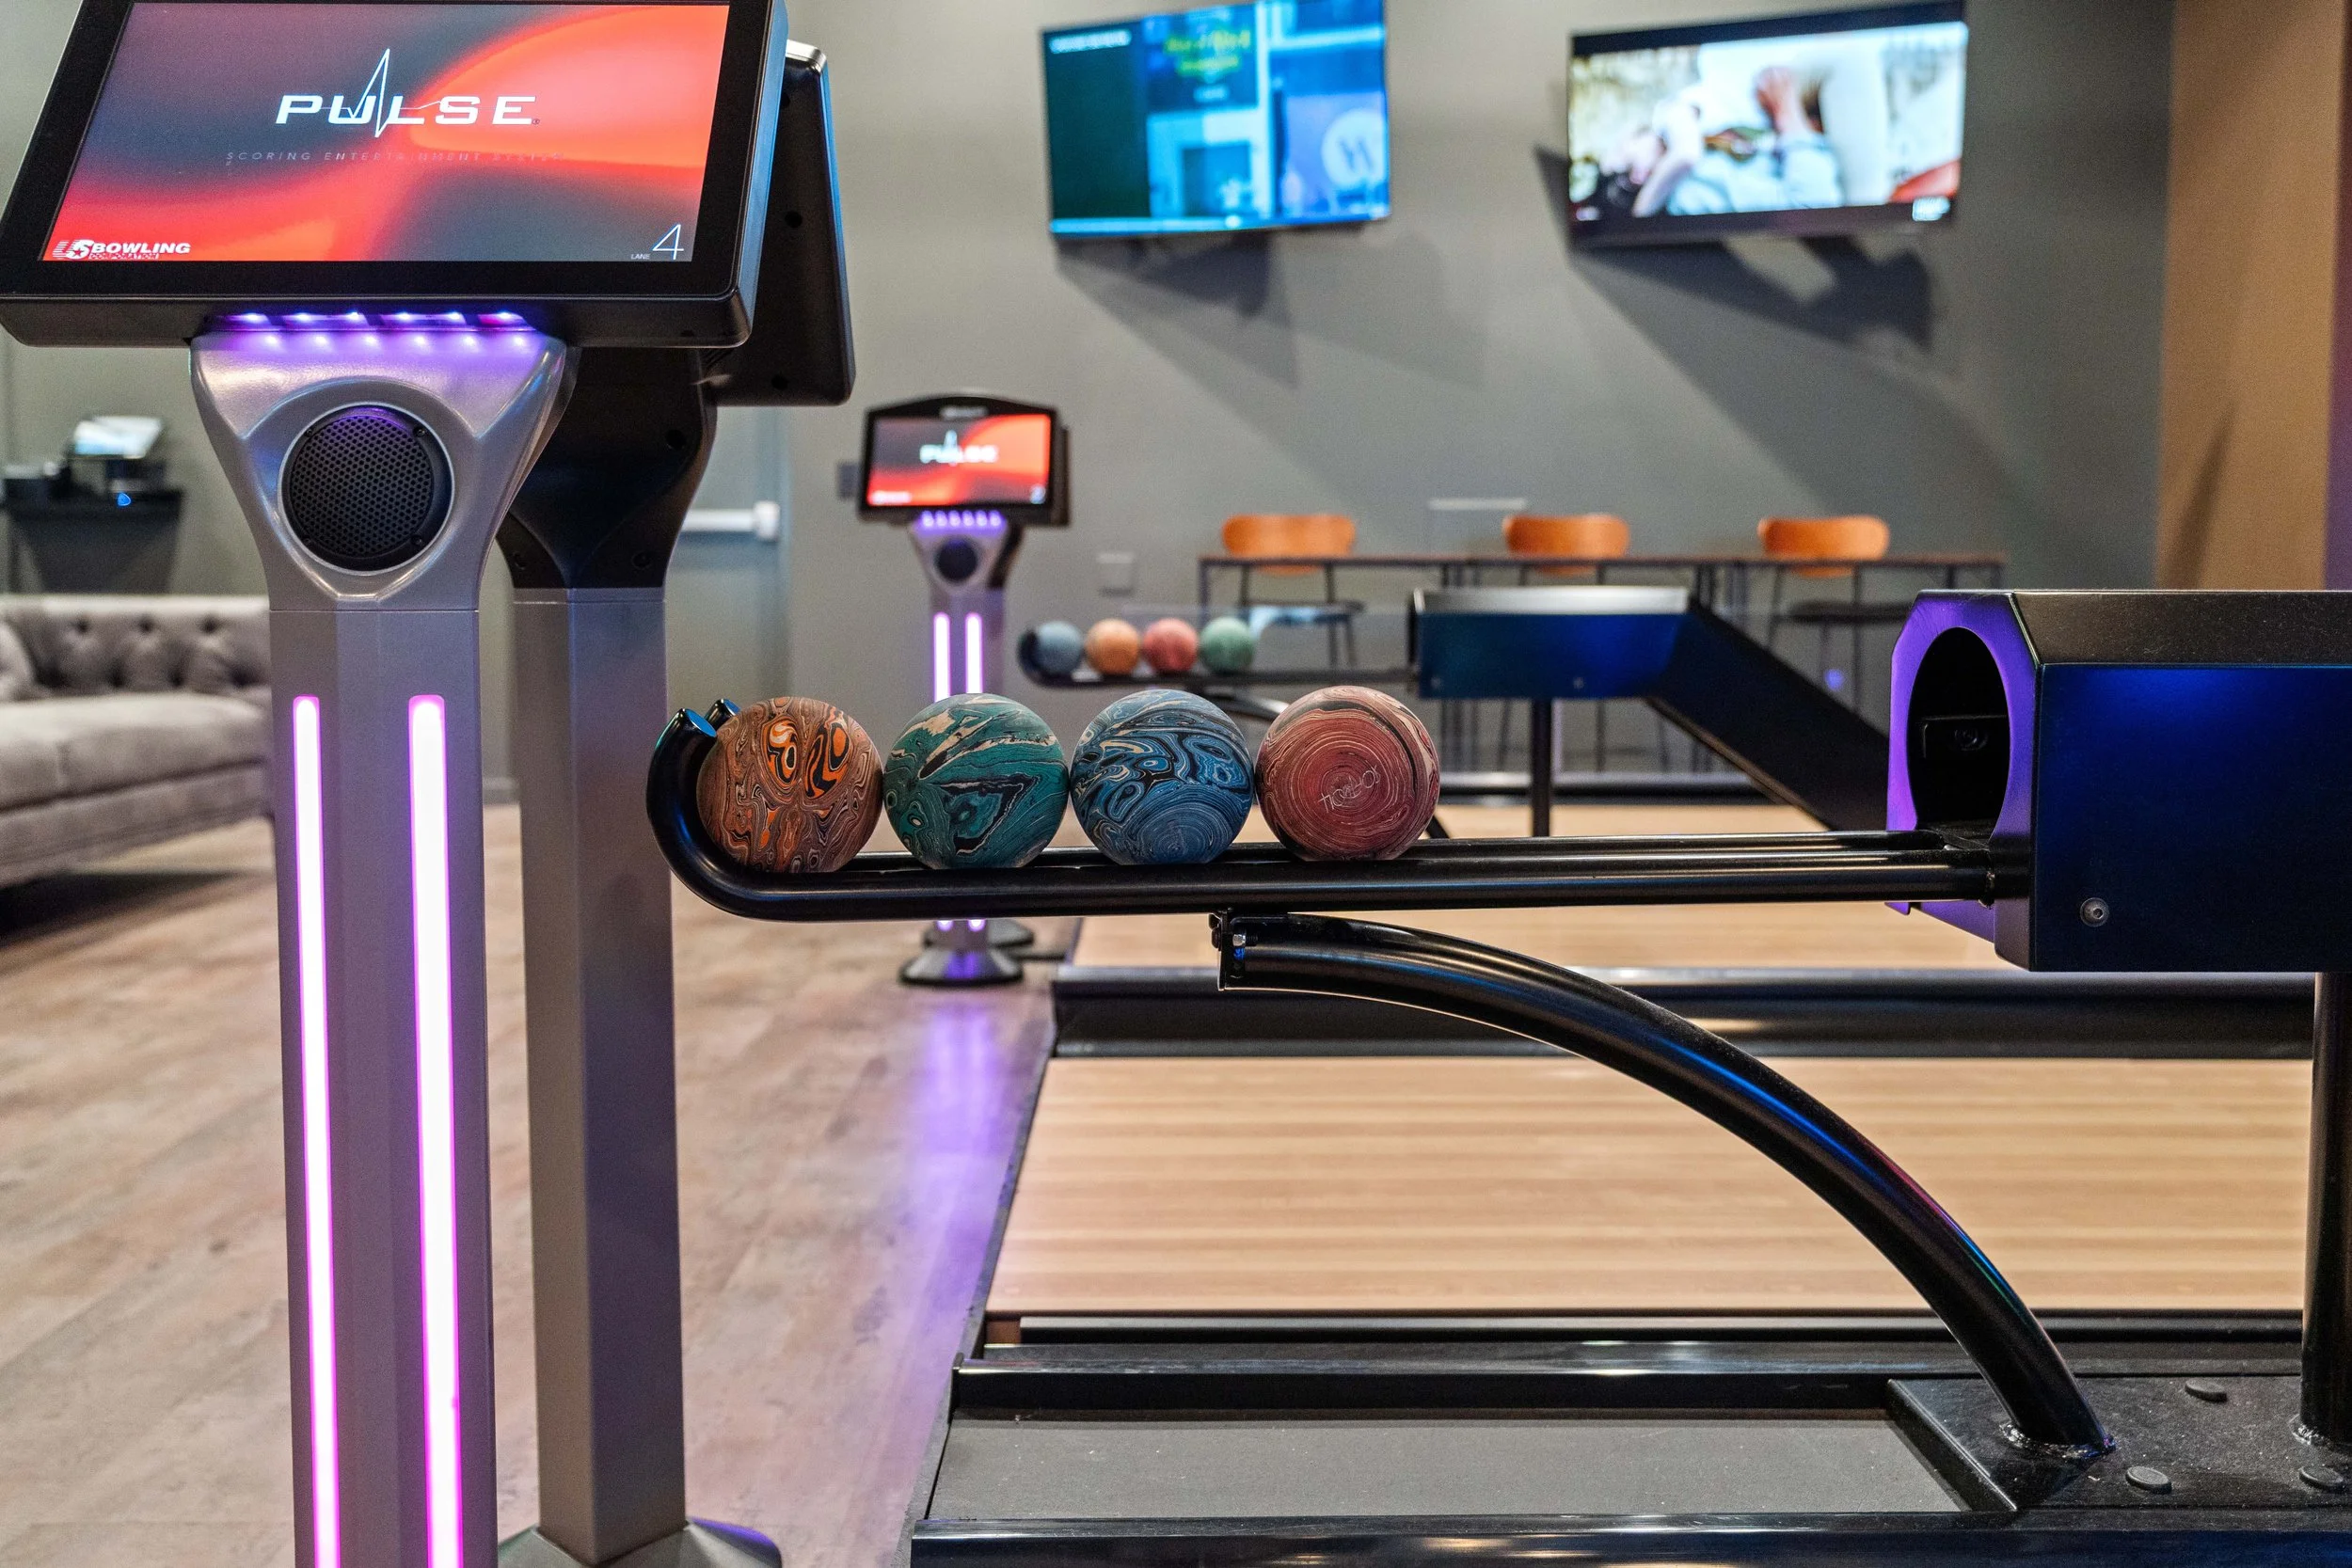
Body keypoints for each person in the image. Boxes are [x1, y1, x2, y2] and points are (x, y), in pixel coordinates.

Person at [1602, 65, 1844, 219]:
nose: (1635, 176)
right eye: (1628, 184)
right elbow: (1813, 204)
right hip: (1810, 141)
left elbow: (1686, 154)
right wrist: (1788, 116)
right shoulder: (1687, 201)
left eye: (1626, 159)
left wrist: (1641, 209)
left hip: (1793, 89)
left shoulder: (1669, 115)